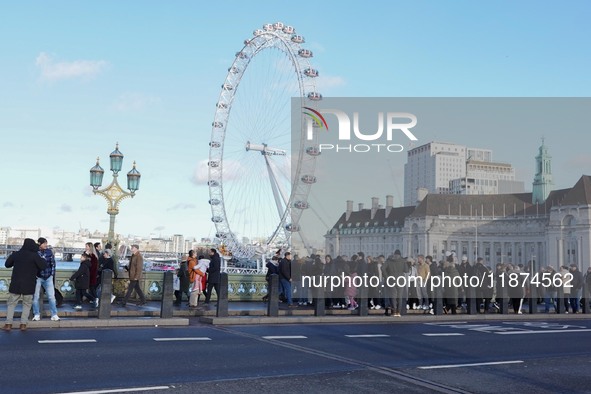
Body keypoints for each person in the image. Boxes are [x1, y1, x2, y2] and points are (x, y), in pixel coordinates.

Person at [4, 238, 47, 331]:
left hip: (16, 284)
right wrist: (42, 259)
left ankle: (8, 324)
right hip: (29, 284)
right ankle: (23, 324)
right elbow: (43, 266)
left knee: (11, 304)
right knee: (27, 304)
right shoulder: (34, 256)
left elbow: (7, 264)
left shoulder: (16, 254)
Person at [32, 237, 60, 322]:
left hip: (48, 277)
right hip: (38, 277)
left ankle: (54, 314)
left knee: (51, 297)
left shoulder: (49, 252)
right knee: (35, 297)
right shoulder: (35, 252)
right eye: (44, 243)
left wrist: (51, 274)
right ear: (40, 244)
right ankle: (36, 314)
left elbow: (53, 264)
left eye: (46, 243)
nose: (46, 245)